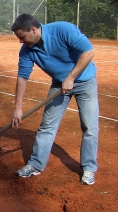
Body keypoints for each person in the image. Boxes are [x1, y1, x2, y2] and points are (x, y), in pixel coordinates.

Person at [10, 13, 99, 185]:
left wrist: (71, 77)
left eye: (22, 37)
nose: (21, 41)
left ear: (33, 30)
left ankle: (88, 168)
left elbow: (89, 51)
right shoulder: (27, 51)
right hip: (59, 85)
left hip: (85, 82)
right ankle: (36, 164)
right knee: (47, 126)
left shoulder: (63, 30)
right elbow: (22, 77)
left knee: (89, 126)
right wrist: (18, 108)